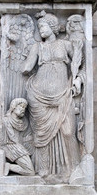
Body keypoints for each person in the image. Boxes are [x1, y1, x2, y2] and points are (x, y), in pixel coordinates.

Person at [22, 11, 80, 180]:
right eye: (39, 27)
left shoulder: (65, 44)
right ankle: (43, 170)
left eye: (44, 26)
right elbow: (26, 68)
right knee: (40, 134)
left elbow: (80, 63)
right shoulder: (37, 47)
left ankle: (74, 169)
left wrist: (78, 79)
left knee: (68, 131)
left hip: (63, 93)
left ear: (53, 27)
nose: (41, 30)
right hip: (38, 93)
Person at [0, 98, 35, 176]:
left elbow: (27, 135)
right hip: (11, 146)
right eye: (21, 107)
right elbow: (13, 138)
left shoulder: (24, 121)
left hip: (21, 145)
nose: (23, 109)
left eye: (24, 108)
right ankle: (9, 167)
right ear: (14, 107)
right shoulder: (7, 120)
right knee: (30, 172)